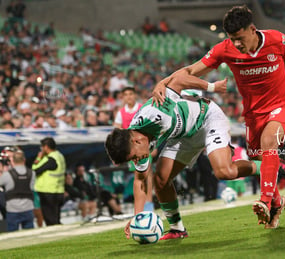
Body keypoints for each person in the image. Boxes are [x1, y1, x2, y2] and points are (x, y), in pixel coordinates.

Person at [151, 5, 285, 229]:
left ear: (252, 29)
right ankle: (278, 202)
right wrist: (162, 82)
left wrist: (283, 89)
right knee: (256, 158)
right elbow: (191, 71)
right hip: (253, 114)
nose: (237, 44)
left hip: (283, 106)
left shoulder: (278, 40)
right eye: (232, 39)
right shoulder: (224, 49)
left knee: (269, 141)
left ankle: (265, 200)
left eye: (240, 38)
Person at [105, 75, 259, 240]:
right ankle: (177, 229)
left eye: (134, 157)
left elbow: (179, 80)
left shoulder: (156, 113)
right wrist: (138, 218)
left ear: (136, 141)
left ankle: (267, 167)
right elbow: (141, 181)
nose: (136, 160)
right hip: (183, 135)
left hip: (206, 118)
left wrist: (211, 87)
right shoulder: (136, 143)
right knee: (161, 180)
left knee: (224, 172)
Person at [32, 137, 66, 226]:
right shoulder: (59, 155)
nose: (41, 149)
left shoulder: (50, 159)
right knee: (56, 217)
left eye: (42, 147)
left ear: (46, 147)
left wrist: (38, 158)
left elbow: (35, 170)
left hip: (48, 191)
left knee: (50, 219)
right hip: (58, 190)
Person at [0, 149, 35, 232]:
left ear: (13, 161)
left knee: (12, 233)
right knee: (29, 233)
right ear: (24, 160)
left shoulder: (8, 174)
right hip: (28, 207)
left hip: (12, 208)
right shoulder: (32, 173)